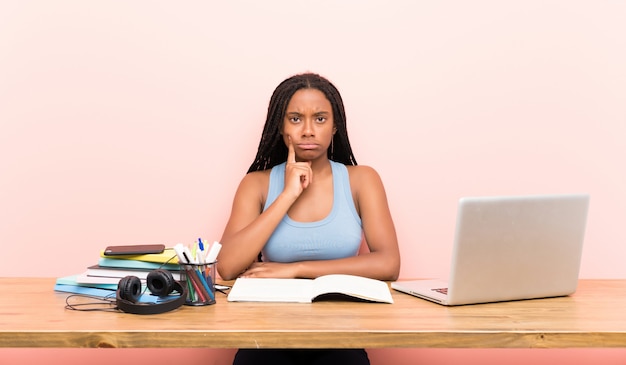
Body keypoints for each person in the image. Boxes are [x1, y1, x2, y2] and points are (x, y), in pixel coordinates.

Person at [217, 72, 400, 365]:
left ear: (335, 125)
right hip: (266, 334)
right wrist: (288, 194)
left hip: (341, 336)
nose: (308, 130)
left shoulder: (362, 180)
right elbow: (226, 266)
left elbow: (389, 264)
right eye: (295, 119)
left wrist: (297, 269)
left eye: (320, 118)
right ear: (281, 127)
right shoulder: (256, 184)